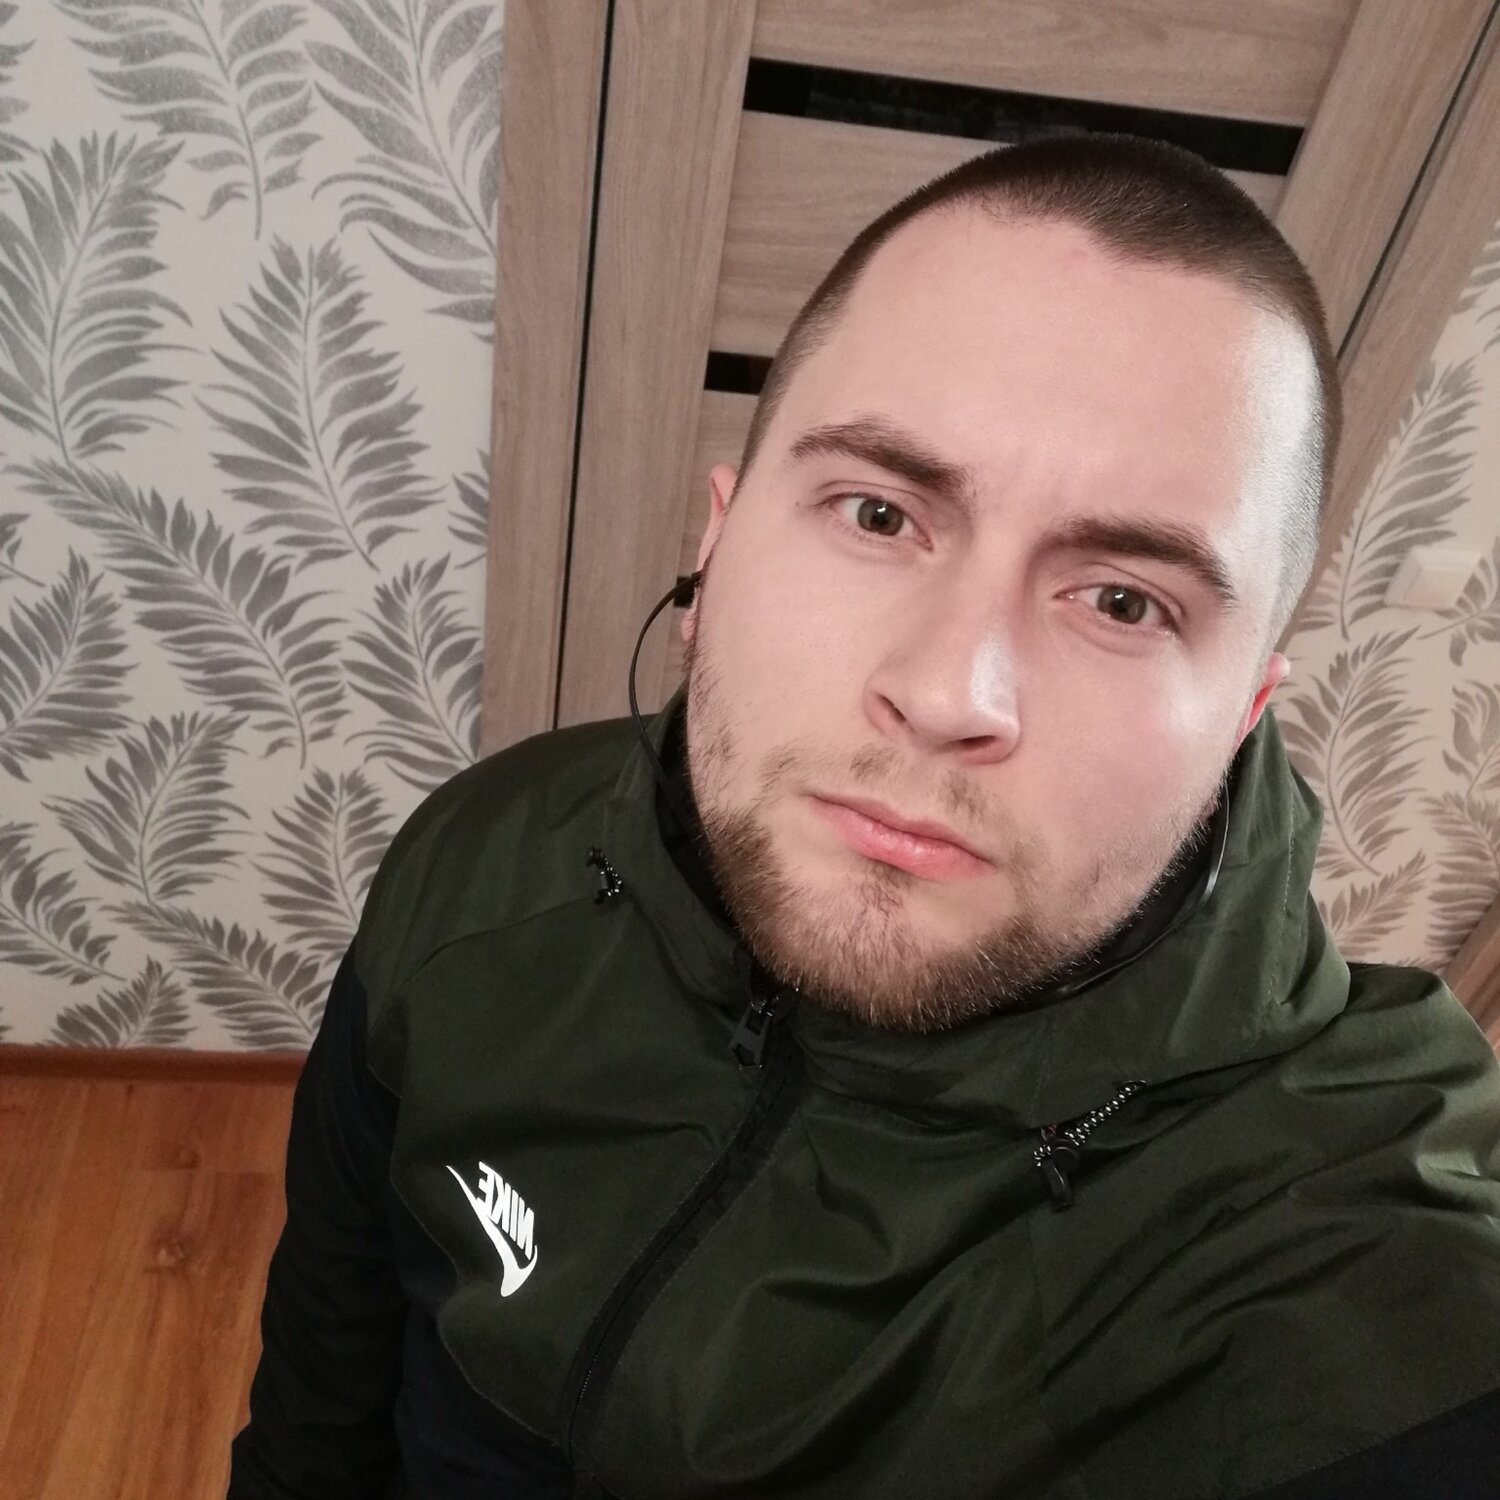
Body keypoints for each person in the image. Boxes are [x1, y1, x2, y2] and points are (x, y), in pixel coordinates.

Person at [227, 134, 1500, 1500]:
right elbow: (319, 1398)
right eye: (881, 514)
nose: (950, 693)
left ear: (1244, 710)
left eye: (1125, 601)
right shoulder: (487, 860)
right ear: (717, 542)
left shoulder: (1351, 1263)